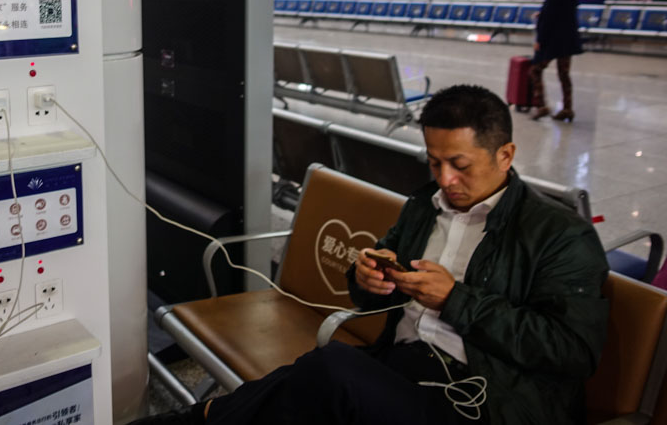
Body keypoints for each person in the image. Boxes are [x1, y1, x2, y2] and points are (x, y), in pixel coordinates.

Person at [135, 85, 608, 425]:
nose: (445, 179)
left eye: (460, 164)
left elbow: (574, 352)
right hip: (403, 366)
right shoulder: (425, 206)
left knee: (328, 371)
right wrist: (367, 278)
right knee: (303, 382)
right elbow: (371, 292)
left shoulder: (559, 235)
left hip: (484, 399)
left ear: (505, 155)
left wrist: (456, 299)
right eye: (434, 161)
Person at [530, 0, 583, 121]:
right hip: (568, 39)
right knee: (564, 74)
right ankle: (567, 108)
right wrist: (543, 13)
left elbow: (549, 19)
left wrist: (540, 40)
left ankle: (541, 106)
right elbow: (562, 13)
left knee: (535, 69)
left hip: (553, 40)